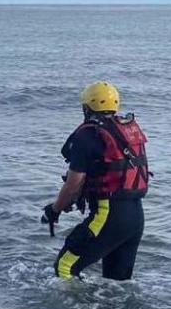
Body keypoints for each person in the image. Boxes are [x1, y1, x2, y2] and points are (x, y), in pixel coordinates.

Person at [42, 81, 149, 281]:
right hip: (136, 218)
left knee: (64, 268)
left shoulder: (88, 135)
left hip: (108, 216)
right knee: (116, 284)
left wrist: (55, 210)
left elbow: (74, 183)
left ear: (86, 107)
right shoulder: (125, 132)